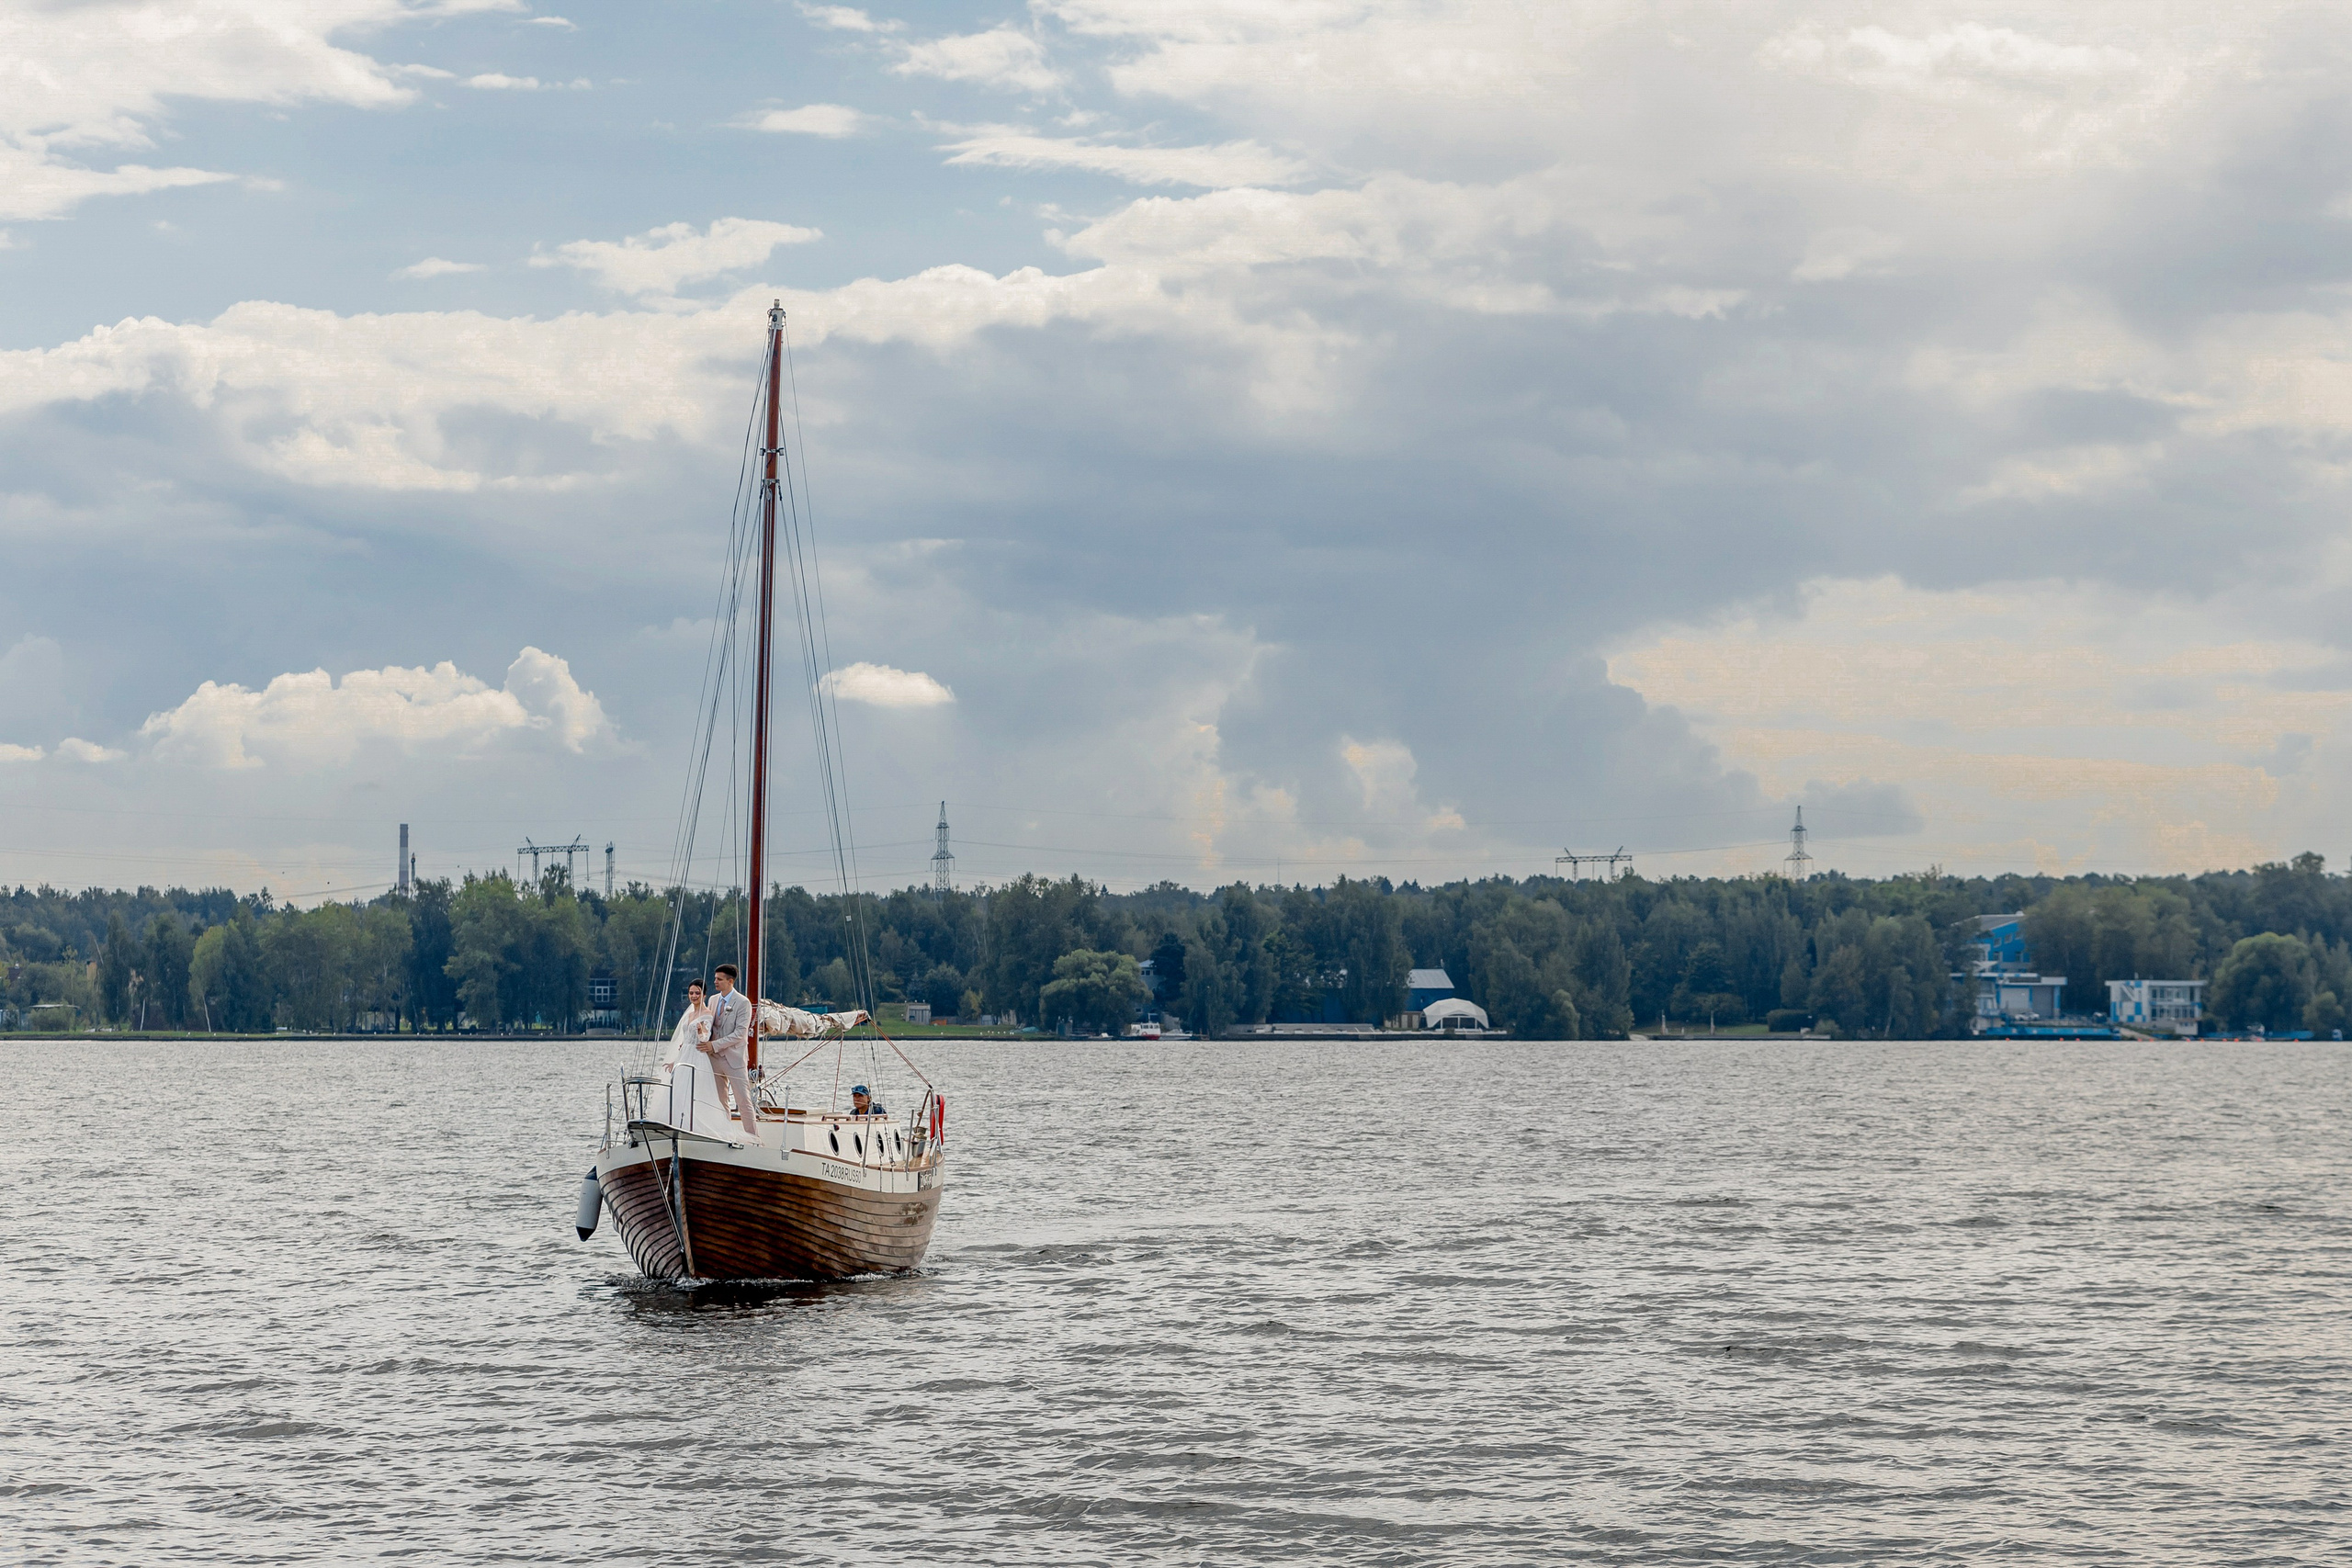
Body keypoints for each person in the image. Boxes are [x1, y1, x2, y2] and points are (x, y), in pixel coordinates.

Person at [702, 964, 764, 1144]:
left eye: (719, 979)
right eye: (715, 978)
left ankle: (754, 1139)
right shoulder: (713, 1000)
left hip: (734, 1059)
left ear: (730, 981)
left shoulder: (743, 1003)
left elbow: (739, 1034)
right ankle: (725, 1136)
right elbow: (709, 1025)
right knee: (720, 1101)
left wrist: (714, 1045)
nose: (715, 982)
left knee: (743, 1101)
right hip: (714, 1059)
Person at [661, 980, 712, 1077]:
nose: (694, 996)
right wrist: (675, 1061)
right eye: (691, 993)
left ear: (704, 995)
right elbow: (686, 1039)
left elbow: (705, 1038)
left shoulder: (707, 1014)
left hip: (697, 1056)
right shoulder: (689, 1015)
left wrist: (700, 1031)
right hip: (683, 1056)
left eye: (697, 993)